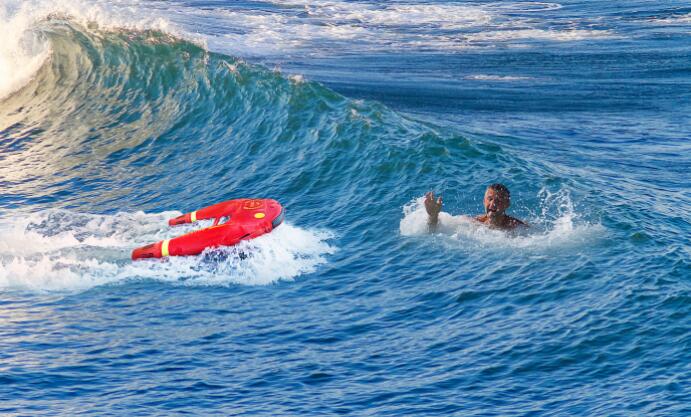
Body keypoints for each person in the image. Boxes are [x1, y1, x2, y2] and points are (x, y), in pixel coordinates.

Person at [425, 183, 526, 231]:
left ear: (507, 204)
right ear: (483, 201)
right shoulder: (474, 223)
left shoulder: (517, 227)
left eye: (498, 200)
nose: (493, 204)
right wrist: (433, 216)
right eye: (490, 199)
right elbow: (433, 231)